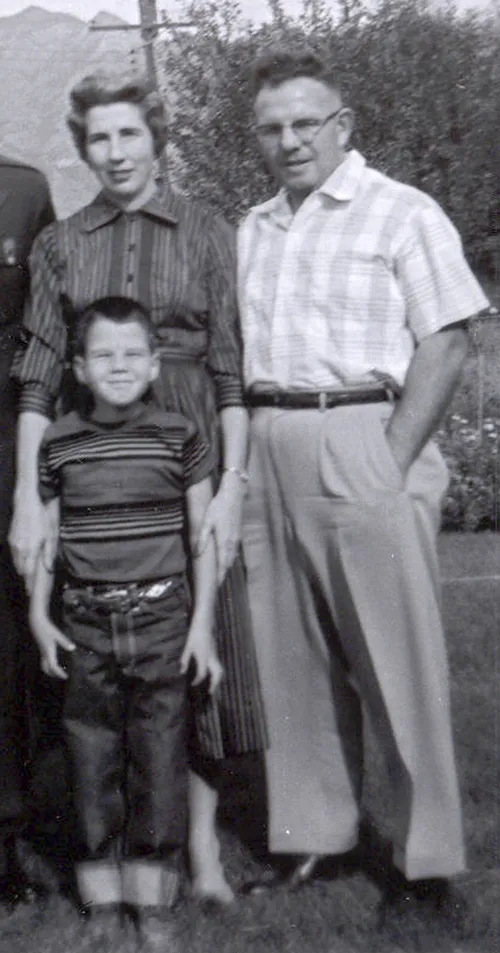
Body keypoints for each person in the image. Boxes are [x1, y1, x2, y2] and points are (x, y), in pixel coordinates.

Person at [238, 50, 492, 913]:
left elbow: (448, 339)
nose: (289, 141)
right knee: (288, 658)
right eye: (271, 128)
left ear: (342, 125)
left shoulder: (402, 211)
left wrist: (390, 456)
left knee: (399, 659)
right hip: (269, 440)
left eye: (305, 123)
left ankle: (427, 863)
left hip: (362, 433)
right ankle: (318, 837)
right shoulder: (253, 227)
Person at [9, 72, 267, 906]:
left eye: (130, 134)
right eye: (99, 138)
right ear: (82, 149)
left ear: (157, 137)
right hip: (96, 458)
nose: (116, 153)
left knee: (198, 644)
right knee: (107, 659)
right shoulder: (61, 243)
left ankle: (202, 852)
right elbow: (39, 375)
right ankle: (113, 844)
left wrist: (231, 484)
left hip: (191, 441)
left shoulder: (206, 229)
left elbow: (229, 368)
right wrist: (27, 495)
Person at [29, 296, 222, 948]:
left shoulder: (179, 436)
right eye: (103, 355)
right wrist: (38, 614)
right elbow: (48, 538)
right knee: (92, 759)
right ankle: (102, 898)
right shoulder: (59, 441)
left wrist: (203, 627)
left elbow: (203, 538)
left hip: (163, 619)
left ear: (155, 363)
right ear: (79, 367)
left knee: (159, 760)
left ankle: (153, 898)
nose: (119, 366)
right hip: (85, 621)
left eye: (133, 353)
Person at [0, 154, 55, 904]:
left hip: (2, 437)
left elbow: (44, 330)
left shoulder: (22, 189)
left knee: (7, 644)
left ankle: (4, 839)